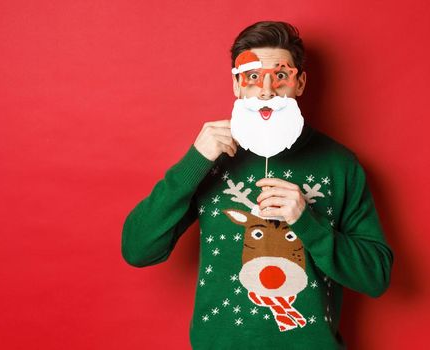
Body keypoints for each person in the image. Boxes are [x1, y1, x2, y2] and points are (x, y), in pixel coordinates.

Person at [121, 21, 393, 349]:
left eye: (280, 76)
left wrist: (308, 223)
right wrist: (193, 162)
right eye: (252, 77)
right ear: (237, 85)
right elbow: (137, 250)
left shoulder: (340, 164)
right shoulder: (211, 158)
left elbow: (376, 278)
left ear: (301, 83)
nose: (266, 90)